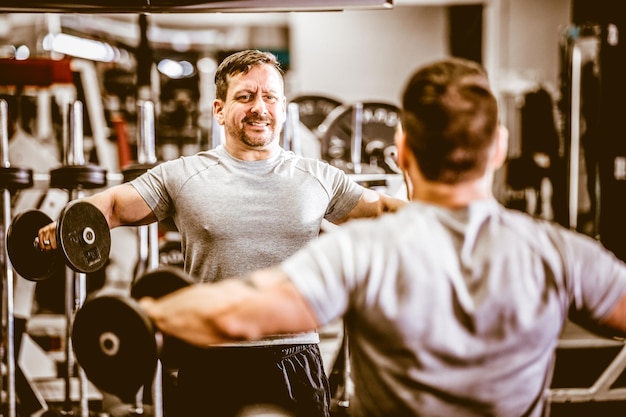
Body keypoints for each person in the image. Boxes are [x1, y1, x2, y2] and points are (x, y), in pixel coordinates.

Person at [136, 57, 626, 417]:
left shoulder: (361, 253)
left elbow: (243, 313)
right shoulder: (559, 253)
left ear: (403, 148)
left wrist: (149, 317)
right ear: (499, 147)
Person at [37, 49, 405, 417]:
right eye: (245, 97)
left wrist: (450, 216)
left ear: (282, 106)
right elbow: (115, 205)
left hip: (294, 357)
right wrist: (66, 225)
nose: (259, 108)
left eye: (270, 97)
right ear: (219, 110)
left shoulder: (318, 177)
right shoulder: (183, 175)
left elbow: (382, 210)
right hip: (210, 357)